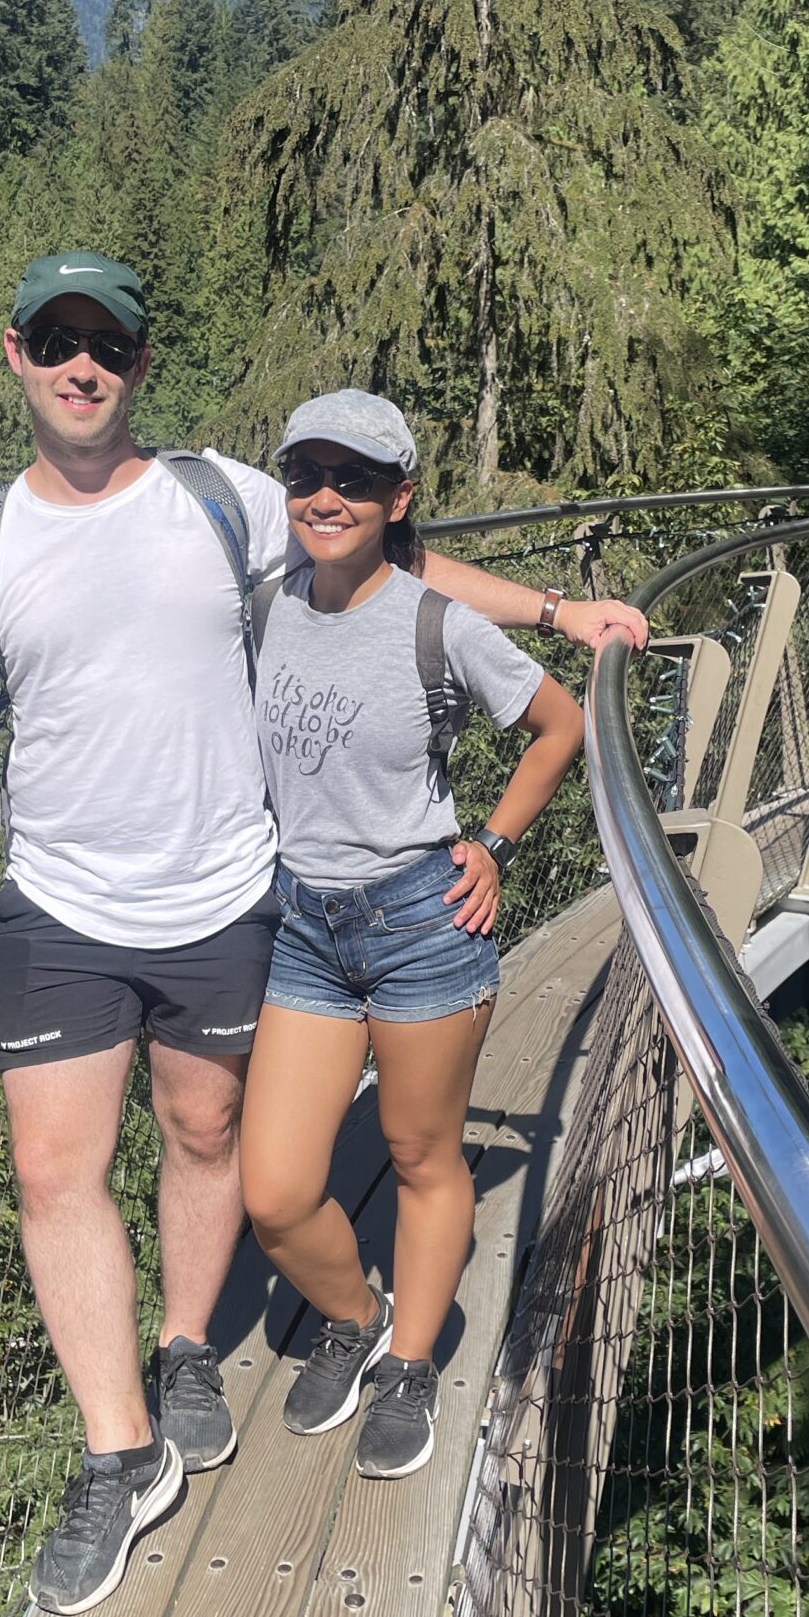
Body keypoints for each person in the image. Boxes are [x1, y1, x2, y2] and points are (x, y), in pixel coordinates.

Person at [0, 251, 646, 1614]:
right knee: (53, 1170)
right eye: (59, 343)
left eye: (108, 348)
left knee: (205, 1141)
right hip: (62, 901)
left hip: (233, 893)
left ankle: (192, 1346)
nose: (83, 367)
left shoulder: (218, 496)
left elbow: (387, 562)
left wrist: (557, 614)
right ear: (15, 355)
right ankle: (116, 1450)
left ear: (137, 367)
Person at [239, 392, 585, 1480]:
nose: (325, 497)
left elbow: (558, 722)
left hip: (420, 921)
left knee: (421, 1157)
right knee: (277, 1193)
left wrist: (493, 843)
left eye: (354, 479)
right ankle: (357, 1312)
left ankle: (410, 1363)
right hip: (305, 922)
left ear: (399, 498)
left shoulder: (435, 619)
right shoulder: (262, 604)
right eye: (306, 476)